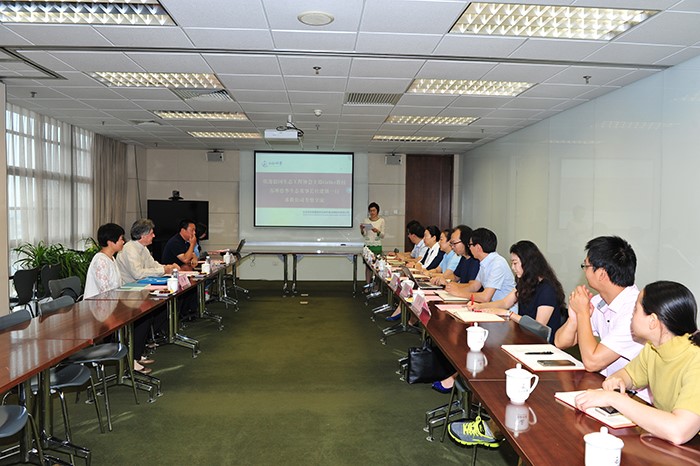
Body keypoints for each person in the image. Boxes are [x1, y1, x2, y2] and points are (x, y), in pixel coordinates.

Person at [575, 281, 700, 445]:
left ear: (653, 321)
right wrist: (618, 380)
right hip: (665, 442)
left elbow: (679, 431)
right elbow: (628, 375)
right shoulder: (654, 347)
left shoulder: (696, 360)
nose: (631, 316)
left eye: (635, 310)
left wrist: (614, 399)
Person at [554, 236, 644, 378]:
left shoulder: (635, 312)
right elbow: (560, 342)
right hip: (607, 383)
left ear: (601, 274)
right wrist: (574, 318)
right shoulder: (600, 301)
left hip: (630, 390)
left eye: (586, 266)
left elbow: (592, 362)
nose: (584, 271)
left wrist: (583, 313)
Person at [84, 223, 151, 375]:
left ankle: (133, 357)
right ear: (110, 242)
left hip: (110, 306)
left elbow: (117, 287)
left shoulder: (111, 259)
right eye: (121, 239)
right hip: (98, 310)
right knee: (138, 320)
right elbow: (105, 293)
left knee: (143, 314)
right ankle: (131, 360)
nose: (123, 242)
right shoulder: (101, 261)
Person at [470, 240, 566, 343]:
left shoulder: (547, 289)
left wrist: (509, 314)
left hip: (541, 343)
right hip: (524, 336)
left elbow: (538, 327)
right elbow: (505, 303)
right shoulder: (526, 282)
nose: (512, 268)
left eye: (515, 263)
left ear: (527, 263)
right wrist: (480, 306)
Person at [441, 227, 515, 302]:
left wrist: (459, 293)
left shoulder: (497, 263)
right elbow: (474, 287)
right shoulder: (484, 262)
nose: (469, 248)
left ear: (478, 247)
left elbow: (485, 297)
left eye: (470, 245)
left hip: (504, 308)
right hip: (492, 306)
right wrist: (454, 289)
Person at [116, 218, 179, 283]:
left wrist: (168, 267)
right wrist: (163, 270)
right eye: (151, 233)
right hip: (130, 287)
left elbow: (152, 264)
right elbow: (137, 274)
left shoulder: (143, 247)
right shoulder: (129, 249)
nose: (154, 236)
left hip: (141, 284)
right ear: (143, 236)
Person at [361, 202, 385, 285]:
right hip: (368, 246)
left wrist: (377, 231)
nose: (372, 212)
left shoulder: (381, 221)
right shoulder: (366, 220)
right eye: (370, 211)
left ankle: (376, 286)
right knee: (368, 267)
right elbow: (364, 234)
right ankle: (368, 284)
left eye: (374, 210)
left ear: (377, 211)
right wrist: (361, 229)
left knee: (377, 267)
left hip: (377, 246)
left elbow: (382, 235)